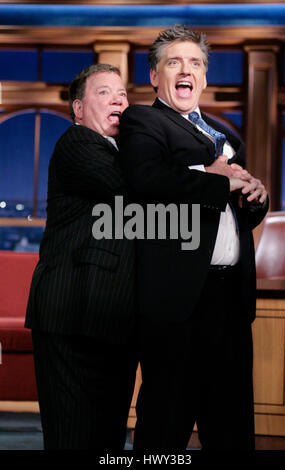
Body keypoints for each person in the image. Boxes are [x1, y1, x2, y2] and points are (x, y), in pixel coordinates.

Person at [119, 25, 268, 451]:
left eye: (197, 63)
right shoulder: (144, 120)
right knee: (166, 426)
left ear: (204, 77)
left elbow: (235, 213)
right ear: (154, 76)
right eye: (175, 62)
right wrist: (215, 176)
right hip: (178, 301)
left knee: (231, 424)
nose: (188, 70)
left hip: (232, 300)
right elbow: (145, 180)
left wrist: (256, 195)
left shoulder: (226, 136)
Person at [25, 63, 137, 450]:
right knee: (73, 438)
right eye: (104, 92)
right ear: (78, 108)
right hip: (70, 315)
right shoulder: (78, 143)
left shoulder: (124, 152)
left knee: (107, 441)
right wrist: (208, 174)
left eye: (121, 93)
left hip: (112, 319)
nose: (118, 99)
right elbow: (130, 189)